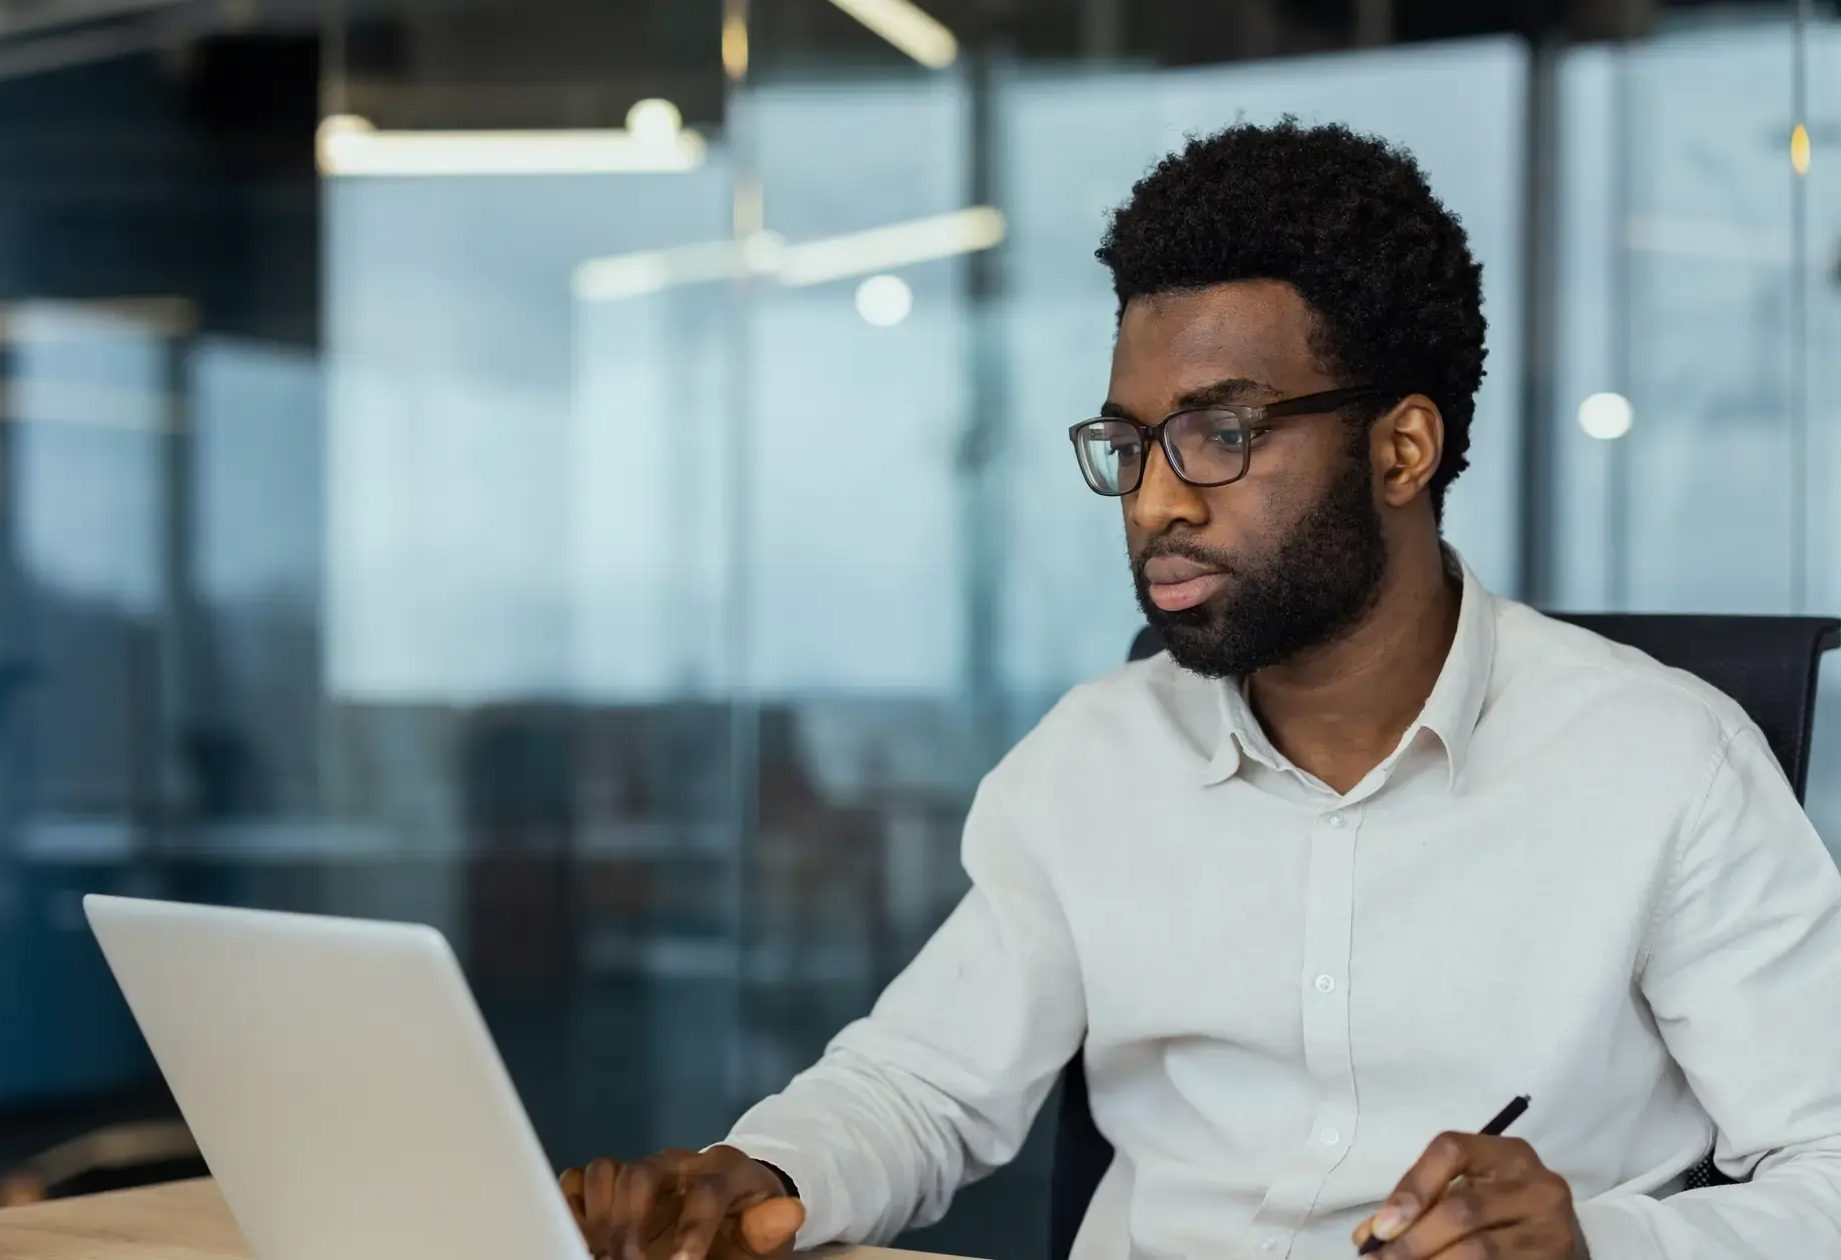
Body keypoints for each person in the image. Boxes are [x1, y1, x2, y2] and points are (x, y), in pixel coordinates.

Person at [559, 122, 1841, 1260]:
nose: (1155, 499)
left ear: (1401, 448)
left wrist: (1587, 1245)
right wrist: (753, 1177)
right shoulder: (1091, 763)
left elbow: (1829, 1176)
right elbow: (923, 1088)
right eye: (1128, 441)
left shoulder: (1662, 764)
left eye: (1221, 433)